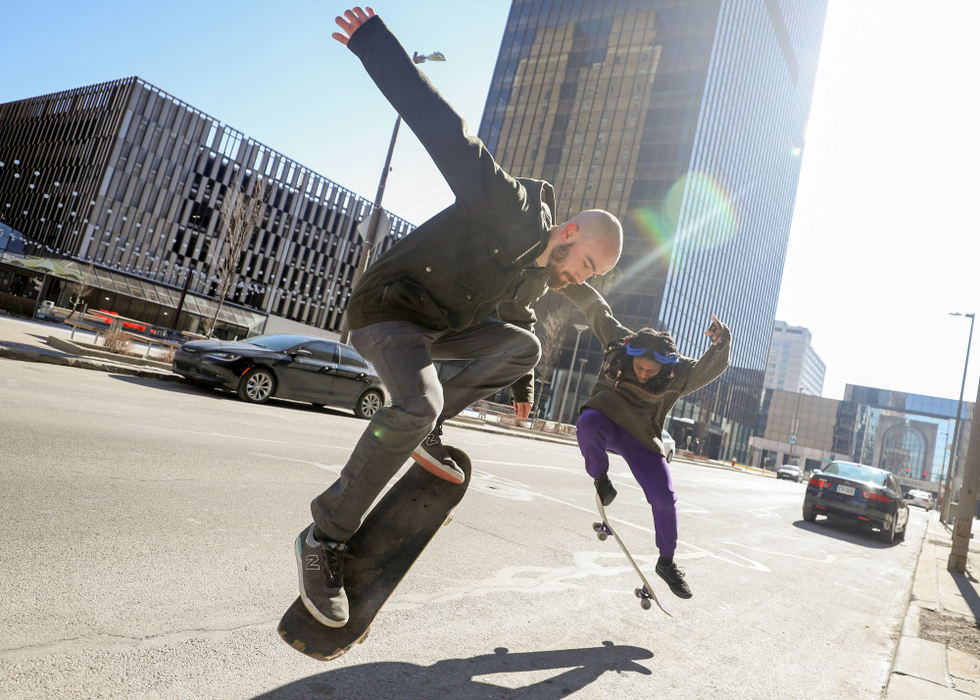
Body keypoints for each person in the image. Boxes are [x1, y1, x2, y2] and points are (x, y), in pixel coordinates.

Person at [297, 6, 625, 629]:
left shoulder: (537, 271)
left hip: (437, 328)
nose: (575, 279)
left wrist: (530, 386)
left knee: (524, 344)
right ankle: (323, 537)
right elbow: (444, 131)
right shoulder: (506, 205)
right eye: (580, 263)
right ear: (570, 231)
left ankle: (424, 426)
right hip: (386, 313)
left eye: (585, 277)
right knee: (415, 404)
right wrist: (374, 43)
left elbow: (541, 312)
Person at [562, 282, 731, 599]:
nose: (643, 373)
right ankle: (601, 479)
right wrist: (567, 282)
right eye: (639, 367)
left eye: (651, 371)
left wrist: (721, 343)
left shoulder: (678, 373)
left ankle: (666, 562)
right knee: (587, 423)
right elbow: (598, 309)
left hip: (644, 439)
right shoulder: (619, 344)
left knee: (664, 499)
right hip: (607, 422)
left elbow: (712, 366)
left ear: (663, 368)